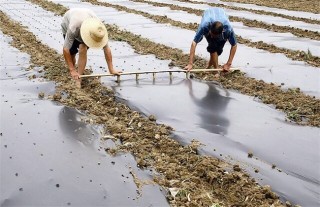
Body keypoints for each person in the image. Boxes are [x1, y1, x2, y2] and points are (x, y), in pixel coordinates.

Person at [61, 8, 121, 87]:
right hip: (68, 22)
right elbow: (66, 50)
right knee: (72, 53)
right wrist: (72, 70)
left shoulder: (99, 30)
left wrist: (111, 69)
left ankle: (79, 78)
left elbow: (107, 49)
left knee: (83, 48)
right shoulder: (73, 28)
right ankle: (74, 72)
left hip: (86, 22)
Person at [185, 8, 237, 72]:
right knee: (212, 46)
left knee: (219, 49)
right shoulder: (205, 25)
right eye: (211, 34)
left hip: (221, 13)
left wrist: (228, 63)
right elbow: (194, 43)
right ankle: (216, 70)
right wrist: (190, 63)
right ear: (210, 29)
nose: (212, 37)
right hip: (208, 13)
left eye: (215, 36)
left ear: (222, 32)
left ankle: (210, 64)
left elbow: (234, 45)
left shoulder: (228, 29)